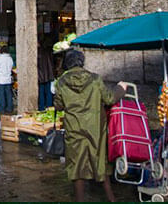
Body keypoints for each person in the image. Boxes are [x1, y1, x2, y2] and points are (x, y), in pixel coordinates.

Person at [54, 49, 127, 202]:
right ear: (82, 62)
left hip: (74, 128)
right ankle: (111, 199)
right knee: (99, 162)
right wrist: (121, 88)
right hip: (95, 128)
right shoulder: (95, 79)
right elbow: (109, 98)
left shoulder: (61, 82)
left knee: (77, 165)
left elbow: (59, 106)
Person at [0, 45, 14, 113]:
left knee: (1, 95)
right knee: (9, 95)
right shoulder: (10, 58)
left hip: (0, 80)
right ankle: (9, 108)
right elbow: (11, 67)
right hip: (8, 79)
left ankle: (2, 109)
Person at [38, 34, 54, 110]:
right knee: (48, 93)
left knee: (41, 93)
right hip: (49, 75)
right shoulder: (49, 52)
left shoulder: (37, 52)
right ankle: (49, 108)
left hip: (40, 76)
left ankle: (41, 108)